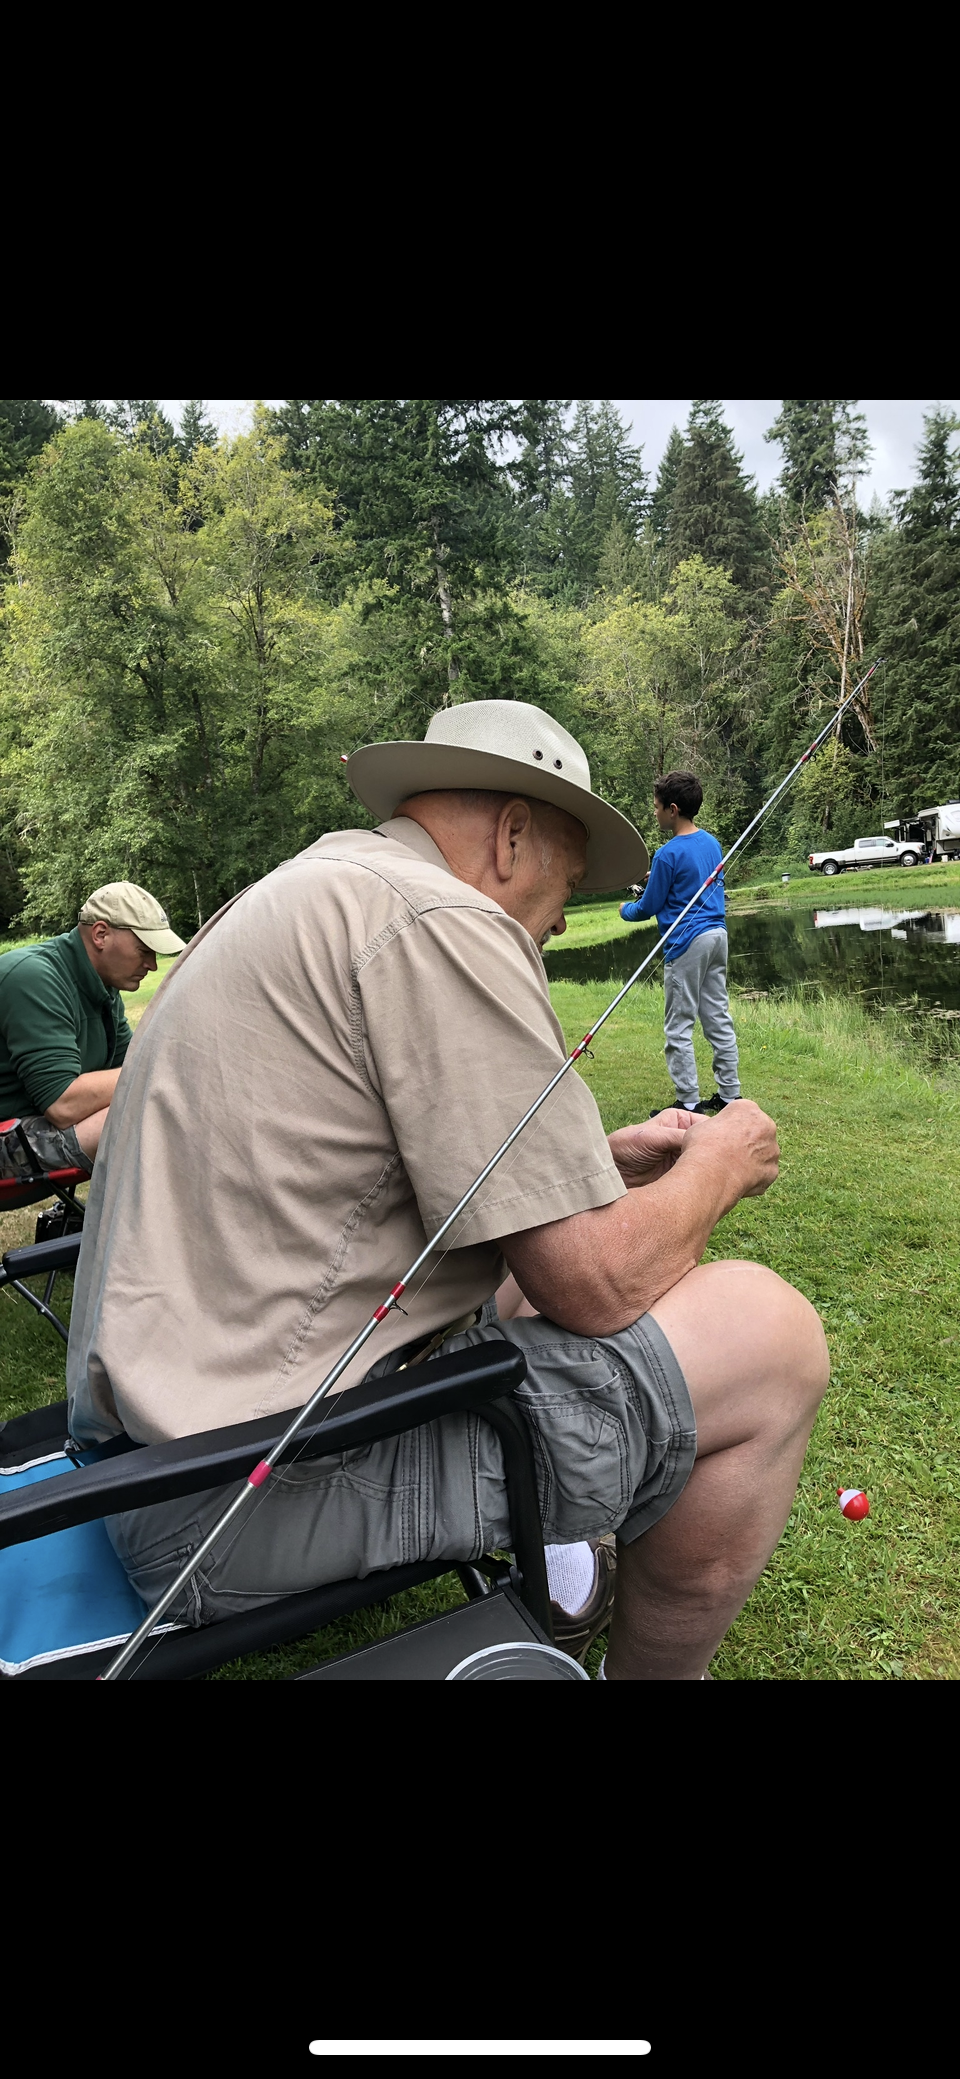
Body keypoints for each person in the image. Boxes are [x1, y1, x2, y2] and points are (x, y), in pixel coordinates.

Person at [66, 703, 828, 1680]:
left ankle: (568, 1577)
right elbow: (591, 1283)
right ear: (511, 836)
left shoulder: (294, 894)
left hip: (148, 1456)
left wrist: (595, 1155)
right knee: (769, 1338)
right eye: (558, 900)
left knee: (519, 1292)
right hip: (237, 1498)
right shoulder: (441, 917)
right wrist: (723, 1161)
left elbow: (332, 1183)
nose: (548, 935)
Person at [0, 882, 185, 1181]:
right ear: (100, 934)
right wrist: (169, 1064)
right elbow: (63, 1103)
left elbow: (128, 1064)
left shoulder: (104, 988)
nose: (152, 964)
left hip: (32, 1130)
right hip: (8, 1134)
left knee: (167, 1097)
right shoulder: (34, 978)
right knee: (153, 1111)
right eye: (144, 950)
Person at [619, 771, 741, 1117]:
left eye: (656, 808)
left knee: (679, 1026)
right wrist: (654, 877)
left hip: (686, 943)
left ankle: (688, 1102)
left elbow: (649, 906)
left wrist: (625, 910)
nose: (653, 813)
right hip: (717, 937)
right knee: (717, 1016)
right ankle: (731, 1095)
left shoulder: (666, 853)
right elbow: (689, 881)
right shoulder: (711, 843)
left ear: (673, 809)